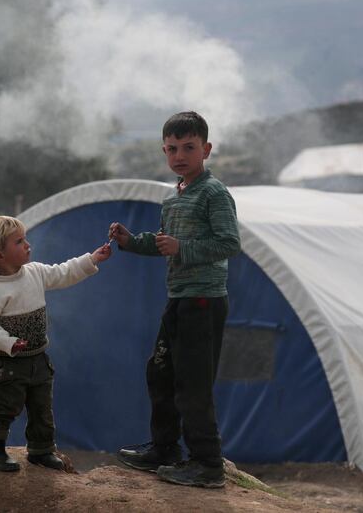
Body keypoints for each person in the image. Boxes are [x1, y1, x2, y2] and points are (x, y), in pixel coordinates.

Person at [108, 111, 240, 488]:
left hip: (204, 300)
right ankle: (165, 449)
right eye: (171, 149)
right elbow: (164, 243)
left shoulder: (214, 193)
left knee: (193, 384)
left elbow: (230, 243)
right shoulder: (175, 198)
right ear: (164, 151)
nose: (179, 155)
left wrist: (183, 247)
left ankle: (207, 464)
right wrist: (132, 242)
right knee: (161, 373)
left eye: (188, 147)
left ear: (207, 149)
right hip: (179, 298)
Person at [0, 215, 112, 472]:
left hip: (38, 359)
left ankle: (41, 451)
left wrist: (91, 259)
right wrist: (9, 343)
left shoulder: (34, 273)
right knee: (5, 407)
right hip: (9, 364)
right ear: (0, 255)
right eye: (19, 241)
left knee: (41, 408)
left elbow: (63, 273)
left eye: (25, 239)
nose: (27, 244)